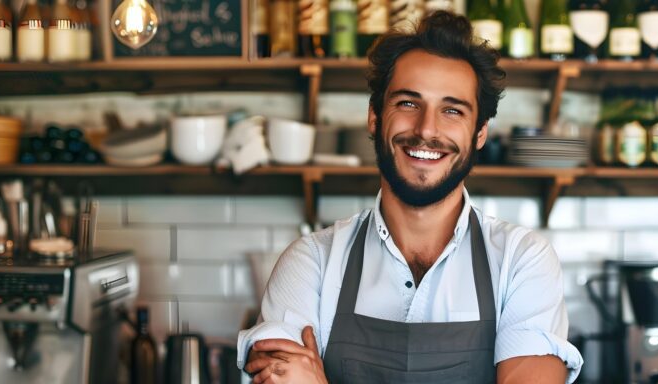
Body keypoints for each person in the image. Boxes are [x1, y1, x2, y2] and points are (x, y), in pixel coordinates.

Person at [237, 11, 583, 383]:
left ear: (480, 132)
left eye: (452, 110)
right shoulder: (313, 262)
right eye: (407, 103)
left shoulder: (521, 260)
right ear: (374, 117)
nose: (426, 129)